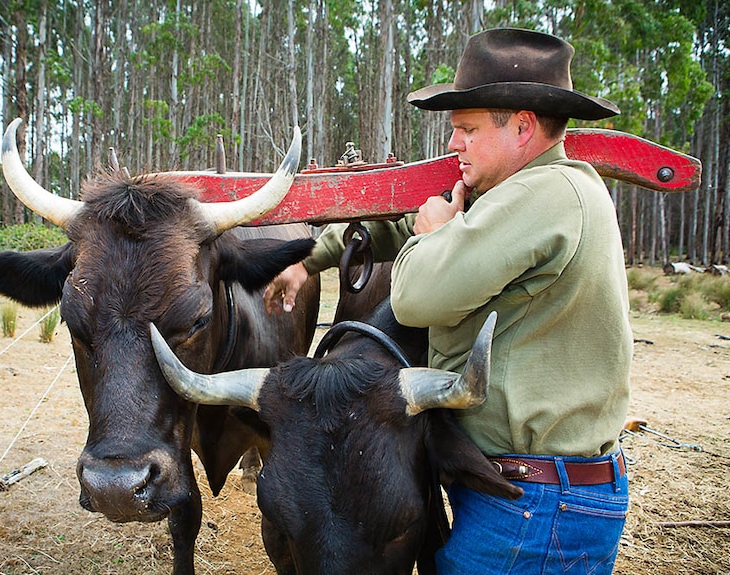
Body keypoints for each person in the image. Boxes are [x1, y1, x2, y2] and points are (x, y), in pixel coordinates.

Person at [264, 28, 631, 575]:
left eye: (467, 129)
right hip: (529, 493)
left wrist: (434, 236)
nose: (453, 144)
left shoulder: (548, 194)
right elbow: (395, 230)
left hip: (535, 508)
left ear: (523, 127)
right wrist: (308, 259)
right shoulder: (513, 194)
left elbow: (415, 298)